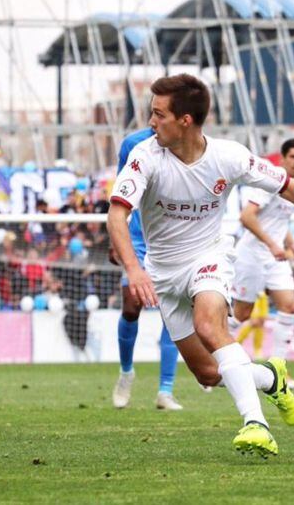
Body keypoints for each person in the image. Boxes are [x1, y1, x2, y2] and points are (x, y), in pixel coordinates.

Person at [107, 74, 294, 457]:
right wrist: (135, 269)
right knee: (206, 373)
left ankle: (256, 424)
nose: (151, 123)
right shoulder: (145, 157)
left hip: (209, 257)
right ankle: (271, 378)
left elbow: (287, 184)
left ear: (185, 120)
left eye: (159, 114)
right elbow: (117, 215)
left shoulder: (229, 155)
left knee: (210, 325)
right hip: (163, 272)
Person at [110, 126, 183, 412]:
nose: (156, 119)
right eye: (154, 111)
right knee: (131, 305)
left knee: (172, 314)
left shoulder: (190, 143)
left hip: (175, 240)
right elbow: (120, 196)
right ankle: (126, 372)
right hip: (139, 238)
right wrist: (116, 240)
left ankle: (166, 390)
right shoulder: (133, 144)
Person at [230, 138, 294, 388]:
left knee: (289, 306)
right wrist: (272, 244)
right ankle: (212, 360)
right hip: (252, 255)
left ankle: (279, 373)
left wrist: (289, 242)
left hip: (275, 258)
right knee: (241, 314)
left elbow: (278, 221)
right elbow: (247, 217)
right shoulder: (268, 183)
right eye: (293, 157)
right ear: (283, 158)